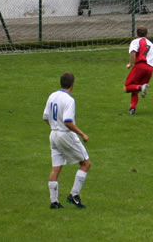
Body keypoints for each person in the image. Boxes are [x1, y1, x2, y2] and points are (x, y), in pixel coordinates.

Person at [43, 72, 91, 209]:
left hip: (53, 134)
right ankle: (74, 195)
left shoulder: (52, 95)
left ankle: (54, 202)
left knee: (56, 167)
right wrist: (83, 134)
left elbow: (46, 117)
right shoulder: (69, 100)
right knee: (86, 163)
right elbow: (68, 121)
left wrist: (55, 126)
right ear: (73, 84)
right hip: (65, 135)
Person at [124, 25, 153, 115]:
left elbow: (133, 52)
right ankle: (132, 108)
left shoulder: (135, 41)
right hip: (150, 69)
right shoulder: (152, 44)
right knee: (134, 89)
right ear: (147, 34)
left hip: (140, 66)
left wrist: (130, 64)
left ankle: (141, 87)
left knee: (127, 88)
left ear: (137, 33)